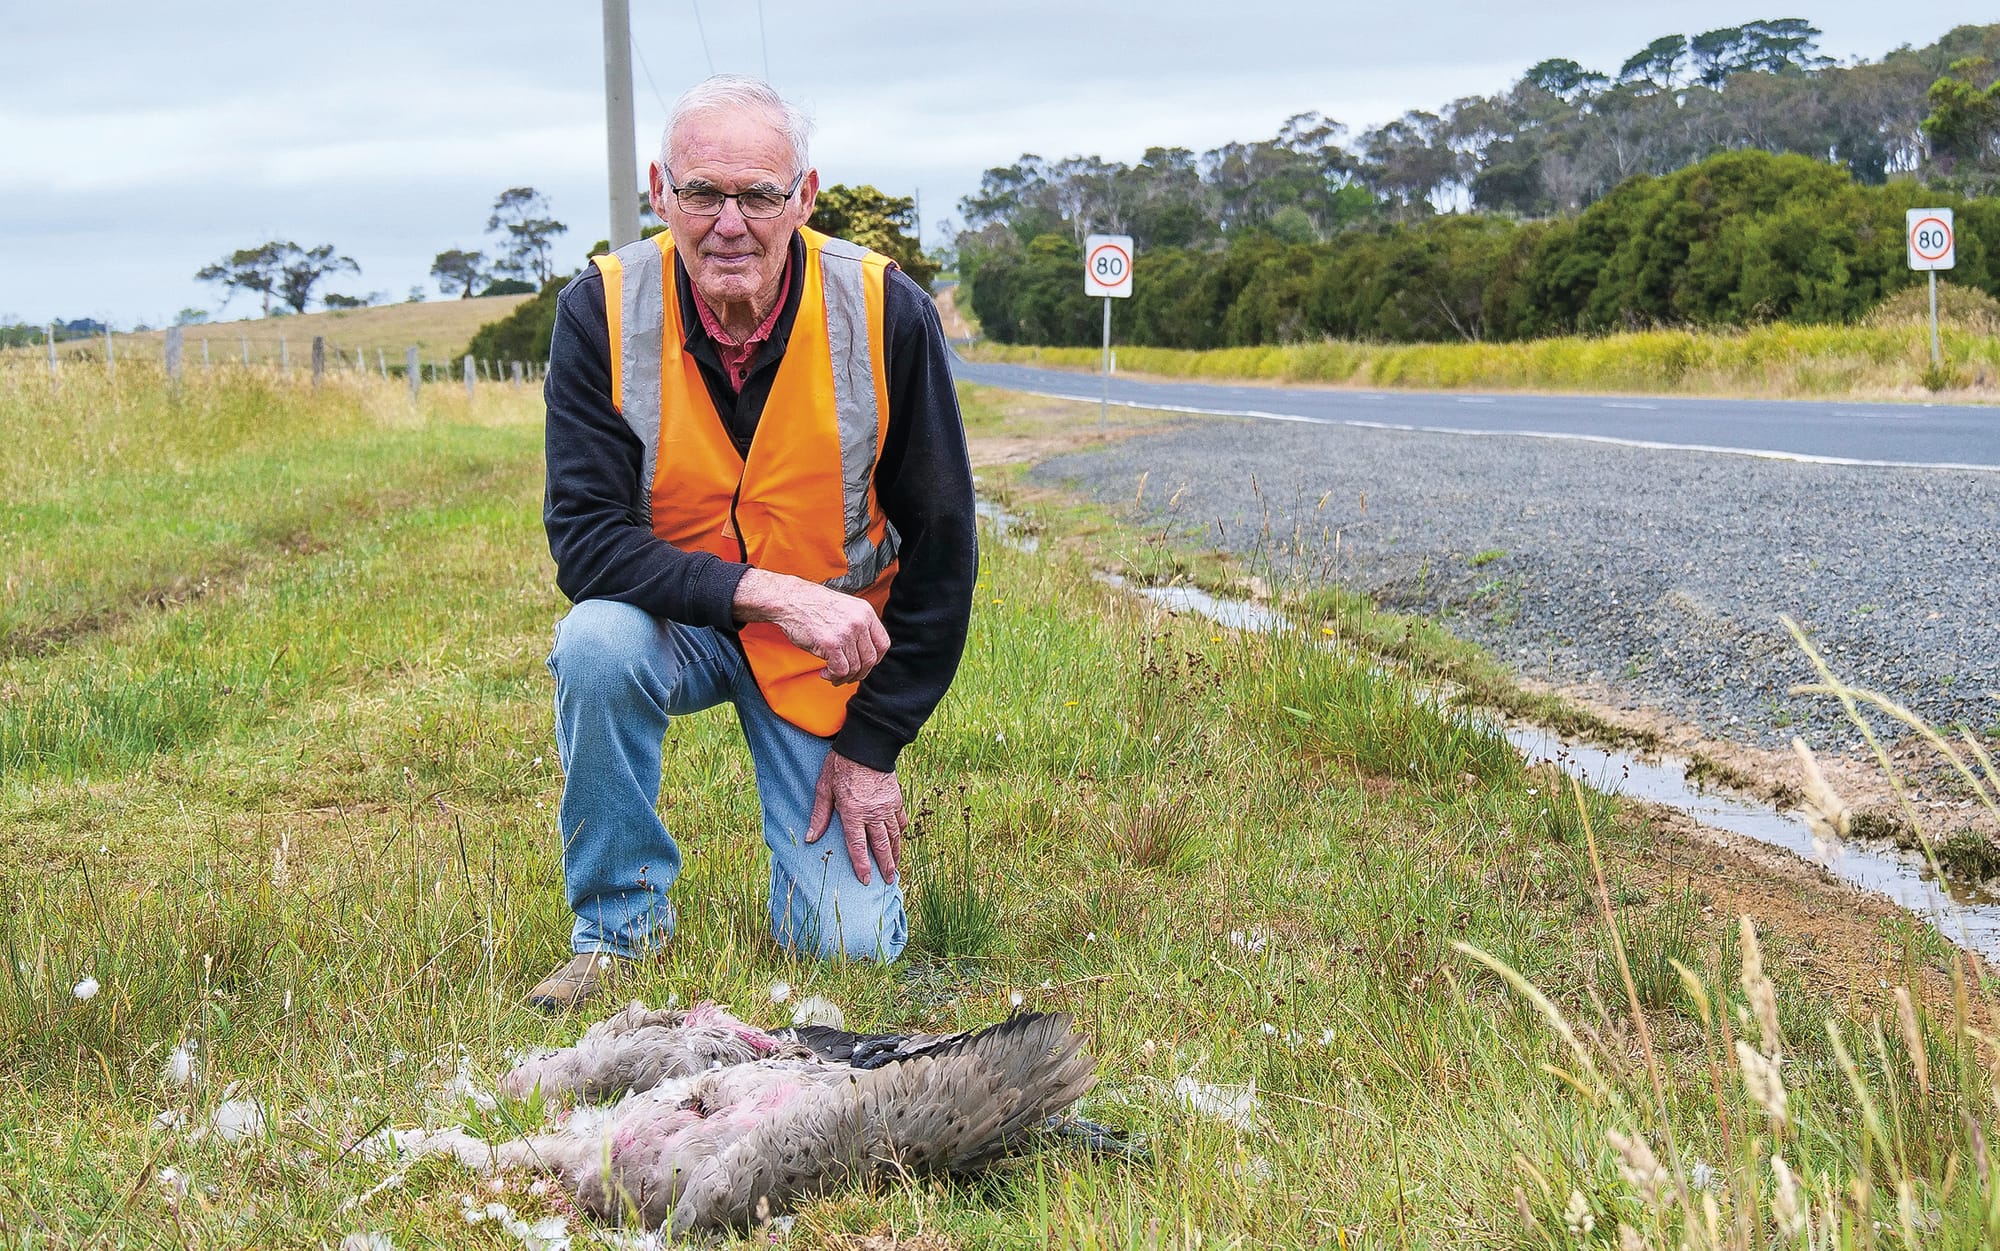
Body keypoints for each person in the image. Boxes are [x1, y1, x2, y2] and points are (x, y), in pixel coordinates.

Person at [528, 74, 976, 1010]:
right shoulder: (599, 311)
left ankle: (807, 888)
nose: (728, 223)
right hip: (680, 622)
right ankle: (617, 931)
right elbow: (586, 545)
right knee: (595, 642)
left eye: (759, 195)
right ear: (661, 191)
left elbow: (943, 552)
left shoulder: (885, 313)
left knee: (850, 952)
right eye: (702, 192)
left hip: (826, 653)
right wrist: (770, 592)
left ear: (803, 197)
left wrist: (874, 746)